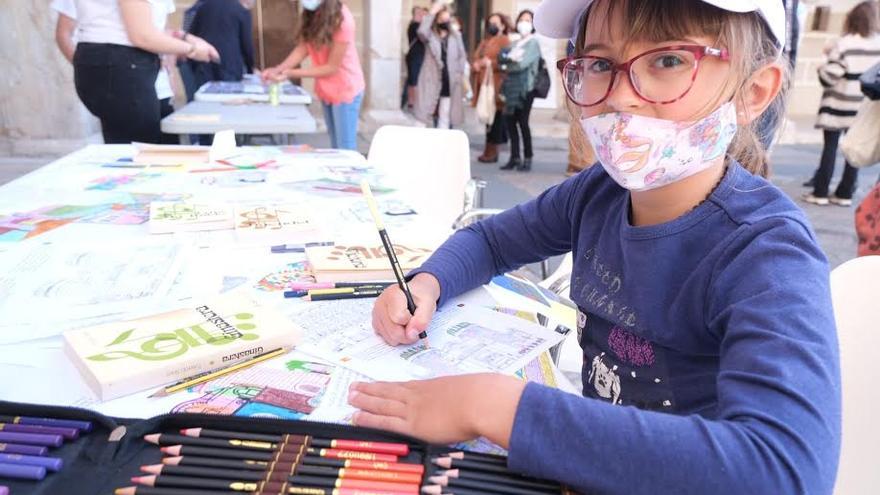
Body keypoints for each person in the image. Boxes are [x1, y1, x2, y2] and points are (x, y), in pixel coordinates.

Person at [349, 1, 841, 494]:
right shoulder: (596, 194)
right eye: (601, 65)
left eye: (668, 61)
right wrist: (428, 282)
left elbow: (786, 469)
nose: (622, 97)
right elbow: (491, 240)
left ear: (753, 92)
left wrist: (496, 406)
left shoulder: (767, 251)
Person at [69, 0, 218, 145]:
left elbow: (147, 28)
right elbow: (142, 36)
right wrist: (191, 50)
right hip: (122, 64)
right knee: (140, 152)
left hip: (115, 63)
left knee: (138, 148)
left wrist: (184, 39)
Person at [52, 0, 183, 145]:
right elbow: (63, 34)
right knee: (135, 151)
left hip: (152, 77)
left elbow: (161, 28)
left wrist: (170, 67)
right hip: (123, 71)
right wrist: (95, 69)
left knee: (165, 150)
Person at [803, 1, 880, 207]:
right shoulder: (878, 44)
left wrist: (823, 65)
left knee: (830, 148)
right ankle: (845, 193)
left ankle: (820, 192)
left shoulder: (844, 43)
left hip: (838, 105)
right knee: (853, 148)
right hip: (861, 107)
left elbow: (831, 76)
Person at [262, 0, 365, 150]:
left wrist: (291, 73)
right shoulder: (314, 13)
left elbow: (332, 67)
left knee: (345, 148)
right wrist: (278, 69)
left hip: (345, 89)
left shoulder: (343, 20)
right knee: (335, 147)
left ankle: (351, 174)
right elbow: (304, 47)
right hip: (327, 89)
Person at [413, 1, 468, 129]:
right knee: (422, 115)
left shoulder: (456, 36)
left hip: (449, 82)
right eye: (442, 18)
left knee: (445, 116)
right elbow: (421, 31)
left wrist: (458, 73)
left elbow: (462, 55)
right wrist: (432, 11)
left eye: (447, 18)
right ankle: (416, 143)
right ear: (436, 20)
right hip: (430, 80)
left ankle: (441, 145)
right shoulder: (430, 35)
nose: (445, 21)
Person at [498, 10, 541, 171]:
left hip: (525, 89)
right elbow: (500, 58)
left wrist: (507, 64)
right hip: (510, 89)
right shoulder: (515, 43)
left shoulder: (533, 43)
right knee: (510, 123)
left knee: (523, 123)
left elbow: (521, 64)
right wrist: (508, 61)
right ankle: (514, 157)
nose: (524, 23)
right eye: (521, 20)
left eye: (528, 20)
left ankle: (528, 158)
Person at [187, 0, 256, 88]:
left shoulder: (203, 6)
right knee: (228, 99)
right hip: (230, 67)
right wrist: (250, 68)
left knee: (204, 99)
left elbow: (192, 35)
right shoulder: (241, 10)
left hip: (204, 64)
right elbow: (247, 45)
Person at [472, 13, 512, 163]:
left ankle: (493, 151)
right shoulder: (485, 41)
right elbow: (476, 57)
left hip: (496, 85)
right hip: (483, 85)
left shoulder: (504, 40)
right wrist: (476, 64)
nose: (492, 26)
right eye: (490, 22)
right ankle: (487, 149)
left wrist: (491, 63)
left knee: (495, 119)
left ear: (502, 25)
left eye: (495, 23)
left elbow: (506, 61)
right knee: (487, 119)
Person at [403, 7, 428, 110]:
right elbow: (424, 36)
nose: (422, 15)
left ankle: (409, 101)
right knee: (414, 80)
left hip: (414, 55)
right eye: (420, 13)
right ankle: (413, 102)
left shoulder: (414, 25)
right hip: (415, 56)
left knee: (411, 80)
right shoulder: (415, 25)